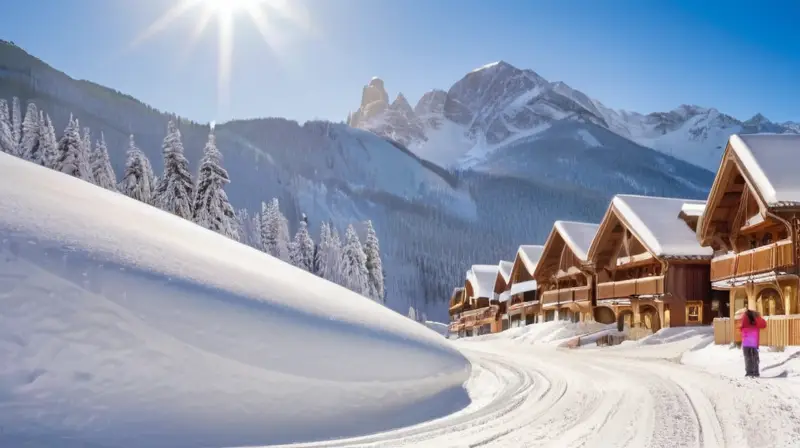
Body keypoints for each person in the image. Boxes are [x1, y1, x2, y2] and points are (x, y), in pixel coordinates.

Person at [739, 309, 767, 377]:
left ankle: (749, 372)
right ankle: (755, 372)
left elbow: (741, 326)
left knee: (747, 356)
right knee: (755, 356)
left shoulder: (744, 316)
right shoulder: (756, 317)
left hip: (746, 340)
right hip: (754, 340)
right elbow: (764, 325)